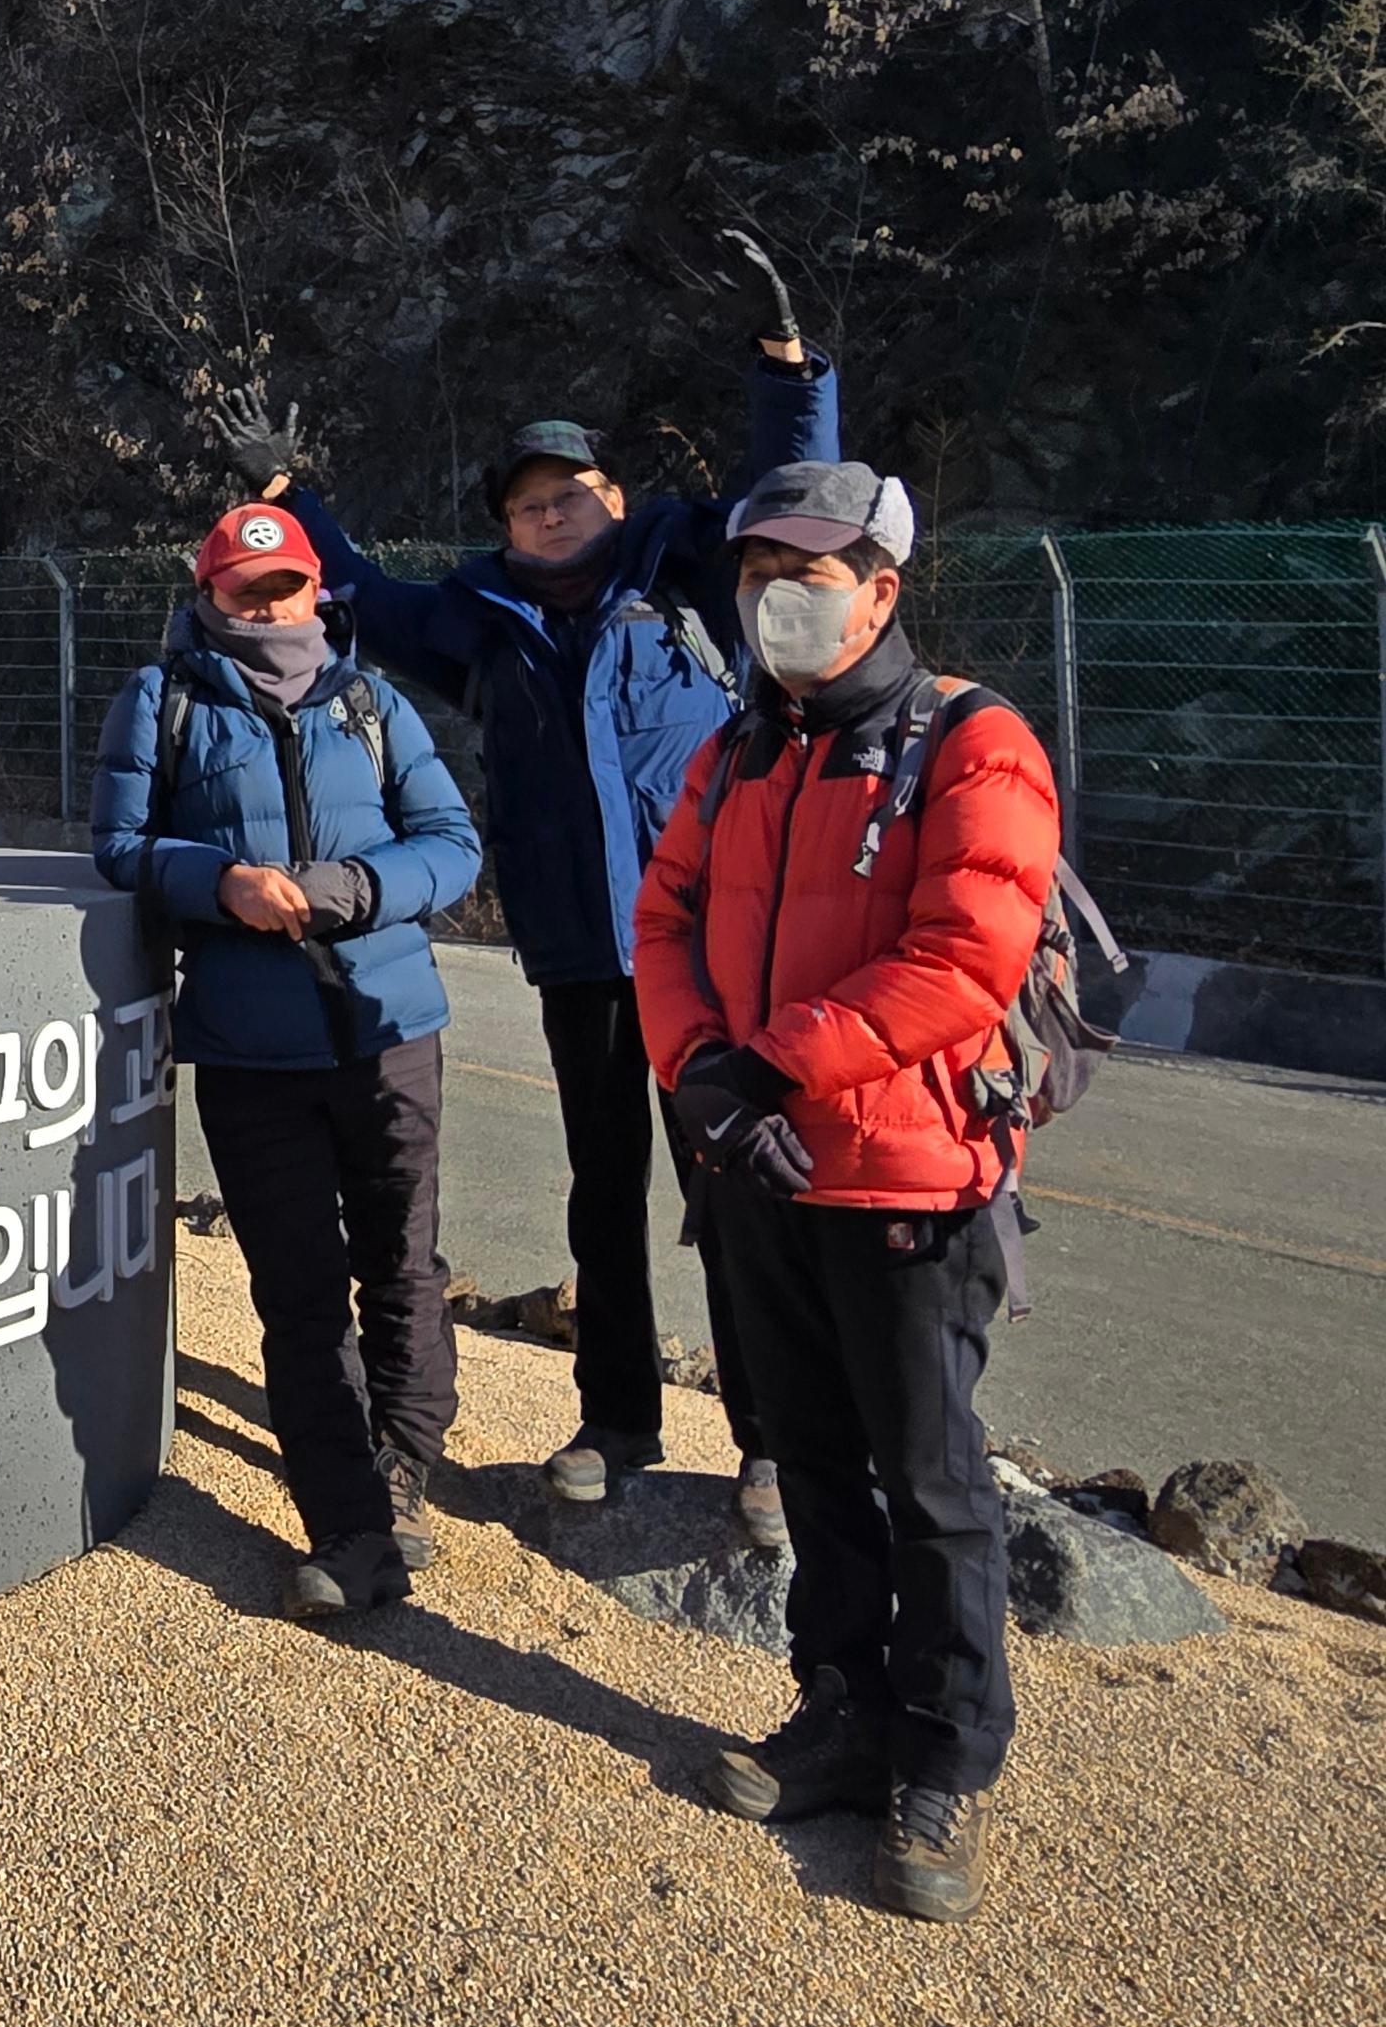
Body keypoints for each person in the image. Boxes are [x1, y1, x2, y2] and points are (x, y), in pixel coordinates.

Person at [227, 304, 838, 1539]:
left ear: (615, 498)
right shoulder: (481, 618)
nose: (548, 516)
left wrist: (790, 380)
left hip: (710, 951)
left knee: (735, 1195)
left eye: (568, 495)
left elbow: (792, 504)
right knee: (602, 1193)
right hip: (576, 952)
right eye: (525, 505)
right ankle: (617, 1421)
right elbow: (359, 594)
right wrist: (290, 498)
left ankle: (774, 1443)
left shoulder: (685, 573)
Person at [632, 461, 1060, 1925]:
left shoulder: (973, 742)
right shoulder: (738, 748)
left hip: (905, 1179)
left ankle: (942, 1761)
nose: (775, 599)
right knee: (811, 1461)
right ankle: (840, 1706)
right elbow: (664, 918)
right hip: (759, 1168)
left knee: (932, 1482)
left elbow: (963, 959)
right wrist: (699, 1072)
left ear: (881, 589)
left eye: (807, 574)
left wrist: (761, 1071)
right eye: (756, 573)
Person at [91, 499, 483, 1622]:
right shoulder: (162, 700)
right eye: (245, 589)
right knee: (299, 1290)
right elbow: (119, 847)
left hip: (390, 1030)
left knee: (403, 1263)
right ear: (207, 593)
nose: (267, 607)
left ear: (318, 589)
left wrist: (355, 889)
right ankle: (347, 1519)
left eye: (286, 586)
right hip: (249, 1048)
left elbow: (452, 843)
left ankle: (406, 1458)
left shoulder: (372, 703)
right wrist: (217, 881)